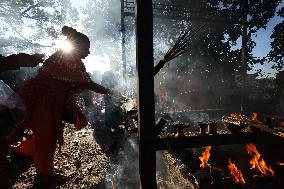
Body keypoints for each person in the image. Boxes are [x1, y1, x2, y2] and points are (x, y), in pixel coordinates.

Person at [6, 26, 118, 184]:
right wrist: (110, 91)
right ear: (78, 47)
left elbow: (81, 83)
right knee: (46, 137)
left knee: (43, 136)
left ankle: (43, 168)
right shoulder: (68, 60)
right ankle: (45, 176)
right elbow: (87, 84)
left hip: (45, 100)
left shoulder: (69, 60)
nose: (89, 52)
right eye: (87, 48)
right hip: (44, 101)